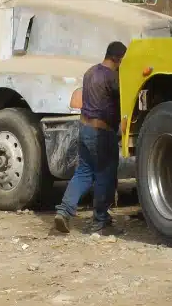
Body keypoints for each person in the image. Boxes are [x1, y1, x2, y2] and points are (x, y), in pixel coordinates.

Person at [53, 41, 126, 236]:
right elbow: (121, 102)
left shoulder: (90, 72)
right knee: (105, 174)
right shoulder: (111, 78)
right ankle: (100, 221)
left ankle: (64, 212)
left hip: (84, 128)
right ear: (118, 58)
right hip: (101, 133)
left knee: (83, 172)